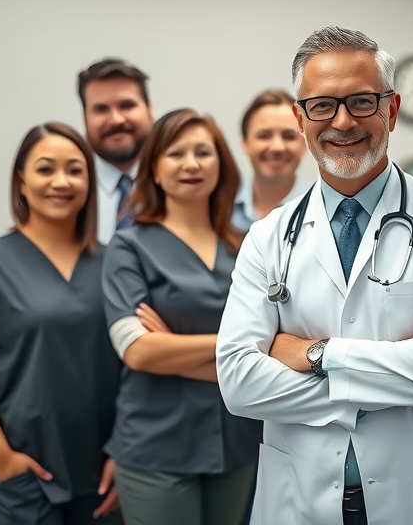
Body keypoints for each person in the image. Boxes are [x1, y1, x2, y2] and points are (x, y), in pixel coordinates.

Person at [216, 26, 413, 525]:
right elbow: (239, 383)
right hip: (299, 502)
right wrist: (406, 372)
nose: (343, 121)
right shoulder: (267, 236)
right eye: (322, 105)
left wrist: (316, 354)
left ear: (392, 109)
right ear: (300, 119)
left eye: (362, 102)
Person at [0, 122, 121, 525]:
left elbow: (133, 365)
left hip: (102, 472)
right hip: (22, 472)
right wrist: (1, 456)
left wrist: (123, 453)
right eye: (45, 169)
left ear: (89, 183)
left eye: (75, 170)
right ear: (21, 180)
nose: (61, 181)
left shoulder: (115, 263)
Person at [102, 109, 262, 525]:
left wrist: (172, 348)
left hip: (238, 441)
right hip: (157, 448)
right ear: (154, 169)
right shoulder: (129, 247)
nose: (191, 164)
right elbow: (138, 351)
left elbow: (272, 354)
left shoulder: (249, 246)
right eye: (176, 154)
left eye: (203, 153)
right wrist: (236, 345)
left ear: (221, 165)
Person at [77, 58, 155, 243]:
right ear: (85, 118)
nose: (116, 120)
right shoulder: (70, 195)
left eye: (127, 105)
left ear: (150, 110)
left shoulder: (179, 185)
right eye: (101, 109)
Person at [232, 89, 307, 231]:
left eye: (289, 136)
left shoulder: (323, 212)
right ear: (245, 143)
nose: (277, 147)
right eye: (264, 135)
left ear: (305, 144)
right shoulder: (220, 214)